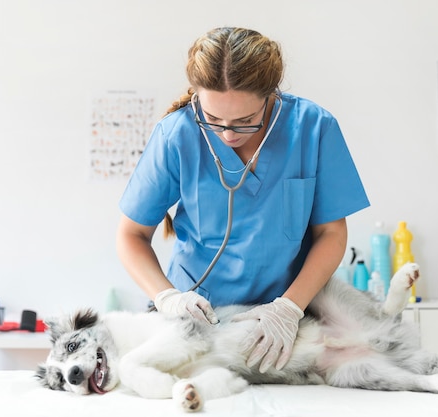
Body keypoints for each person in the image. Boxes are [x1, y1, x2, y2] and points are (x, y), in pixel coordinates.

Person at [116, 27, 369, 374]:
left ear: (270, 96)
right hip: (196, 322)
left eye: (245, 121)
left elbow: (332, 234)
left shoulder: (313, 128)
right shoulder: (177, 134)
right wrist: (167, 298)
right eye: (214, 120)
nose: (229, 134)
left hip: (282, 324)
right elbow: (131, 236)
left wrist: (289, 309)